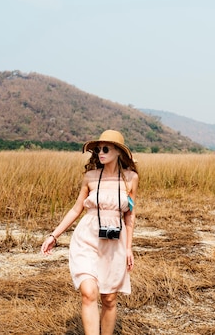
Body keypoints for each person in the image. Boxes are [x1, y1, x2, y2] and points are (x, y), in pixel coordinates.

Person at [41, 129, 139, 335]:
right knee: (88, 293)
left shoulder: (131, 178)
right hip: (87, 237)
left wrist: (129, 248)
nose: (100, 153)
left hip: (115, 242)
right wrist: (54, 235)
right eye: (97, 150)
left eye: (105, 149)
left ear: (119, 152)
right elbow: (76, 209)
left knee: (109, 298)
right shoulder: (91, 176)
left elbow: (130, 215)